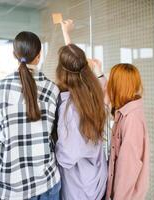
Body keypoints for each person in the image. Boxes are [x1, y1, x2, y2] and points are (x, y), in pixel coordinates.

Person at [0, 31, 61, 200]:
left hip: (9, 188)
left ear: (14, 55)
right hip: (46, 183)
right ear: (38, 56)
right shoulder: (53, 90)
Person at [55, 20, 108, 200]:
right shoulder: (95, 92)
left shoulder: (70, 109)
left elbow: (66, 157)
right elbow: (75, 62)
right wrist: (66, 34)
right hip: (97, 179)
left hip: (80, 190)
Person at [105, 63, 149, 200]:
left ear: (119, 86)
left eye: (111, 82)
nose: (108, 86)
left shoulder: (131, 119)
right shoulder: (124, 113)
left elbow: (127, 169)